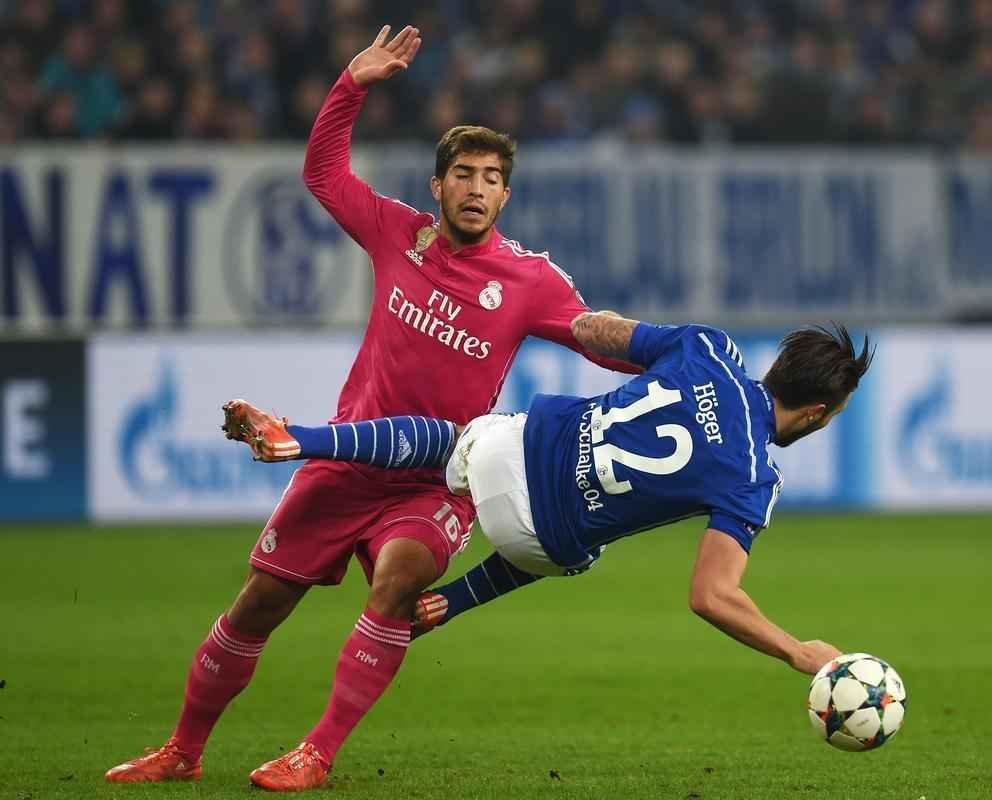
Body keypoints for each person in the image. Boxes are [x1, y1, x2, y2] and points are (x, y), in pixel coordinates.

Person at [105, 25, 636, 791]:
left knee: (400, 581)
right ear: (438, 185)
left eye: (491, 177)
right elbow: (323, 175)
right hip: (348, 460)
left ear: (506, 194)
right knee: (258, 604)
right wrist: (350, 85)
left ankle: (315, 754)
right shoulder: (399, 234)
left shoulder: (530, 281)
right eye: (463, 173)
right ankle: (182, 751)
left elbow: (594, 338)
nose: (476, 188)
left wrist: (667, 353)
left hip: (434, 479)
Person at [224, 311, 874, 677]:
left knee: (454, 442)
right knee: (579, 545)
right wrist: (797, 651)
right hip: (532, 542)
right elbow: (711, 596)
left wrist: (584, 321)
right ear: (818, 412)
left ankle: (300, 438)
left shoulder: (707, 347)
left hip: (514, 452)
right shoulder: (756, 478)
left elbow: (597, 332)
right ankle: (448, 604)